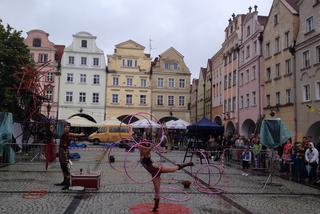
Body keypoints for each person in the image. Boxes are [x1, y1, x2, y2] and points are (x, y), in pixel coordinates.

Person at [138, 140, 194, 212]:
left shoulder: (147, 153)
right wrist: (140, 145)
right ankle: (156, 207)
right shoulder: (141, 153)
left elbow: (149, 148)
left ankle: (188, 164)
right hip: (154, 174)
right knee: (157, 190)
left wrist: (143, 145)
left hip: (158, 168)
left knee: (174, 169)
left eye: (141, 147)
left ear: (143, 148)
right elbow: (140, 147)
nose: (139, 148)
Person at [55, 123, 84, 190]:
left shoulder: (69, 134)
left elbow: (75, 135)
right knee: (62, 167)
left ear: (69, 128)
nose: (66, 128)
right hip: (61, 152)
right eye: (65, 127)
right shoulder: (63, 134)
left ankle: (68, 184)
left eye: (68, 127)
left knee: (66, 168)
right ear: (64, 128)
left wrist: (80, 135)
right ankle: (64, 181)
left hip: (65, 152)